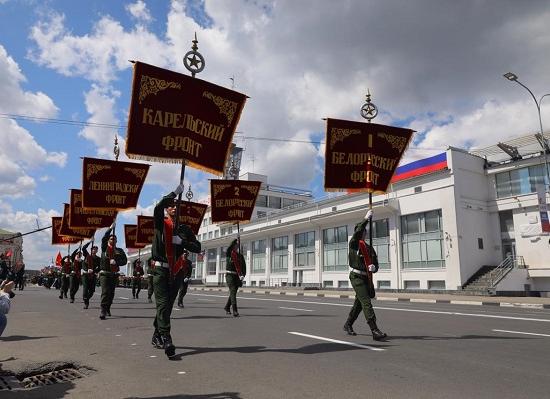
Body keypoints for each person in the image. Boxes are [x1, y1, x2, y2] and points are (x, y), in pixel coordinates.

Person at [151, 185, 201, 358]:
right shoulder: (160, 222)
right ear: (167, 208)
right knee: (163, 304)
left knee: (168, 306)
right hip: (160, 270)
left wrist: (183, 242)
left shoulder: (185, 229)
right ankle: (166, 338)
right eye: (170, 205)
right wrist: (174, 193)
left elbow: (197, 247)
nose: (173, 207)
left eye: (176, 205)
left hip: (176, 271)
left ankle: (157, 333)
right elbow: (158, 207)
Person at [343, 209, 387, 341]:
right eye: (361, 231)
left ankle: (348, 324)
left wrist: (374, 268)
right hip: (356, 277)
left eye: (364, 231)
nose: (363, 233)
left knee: (359, 303)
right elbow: (357, 233)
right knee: (366, 302)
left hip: (366, 278)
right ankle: (375, 330)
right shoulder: (354, 245)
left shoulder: (369, 248)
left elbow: (376, 264)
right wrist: (366, 219)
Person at [99, 224, 127, 320]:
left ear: (116, 241)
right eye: (111, 239)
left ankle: (108, 308)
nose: (112, 240)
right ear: (108, 240)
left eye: (114, 239)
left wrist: (117, 262)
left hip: (114, 274)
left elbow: (125, 261)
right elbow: (104, 238)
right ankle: (103, 310)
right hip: (105, 274)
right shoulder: (104, 248)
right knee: (105, 292)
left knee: (111, 293)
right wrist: (110, 228)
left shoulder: (119, 250)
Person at [224, 238, 246, 317]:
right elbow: (229, 247)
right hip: (229, 275)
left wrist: (243, 275)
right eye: (235, 245)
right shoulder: (229, 253)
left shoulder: (240, 256)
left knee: (233, 293)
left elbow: (243, 266)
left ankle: (227, 307)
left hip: (237, 276)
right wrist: (236, 238)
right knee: (233, 290)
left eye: (237, 245)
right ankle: (235, 310)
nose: (236, 246)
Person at [82, 241, 100, 309]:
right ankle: (86, 303)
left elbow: (100, 266)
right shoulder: (87, 255)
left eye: (96, 249)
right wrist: (90, 242)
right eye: (93, 249)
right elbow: (83, 248)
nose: (94, 250)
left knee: (92, 291)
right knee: (85, 289)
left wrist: (96, 271)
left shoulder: (98, 259)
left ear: (97, 251)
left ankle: (86, 299)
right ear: (91, 250)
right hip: (85, 275)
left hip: (93, 275)